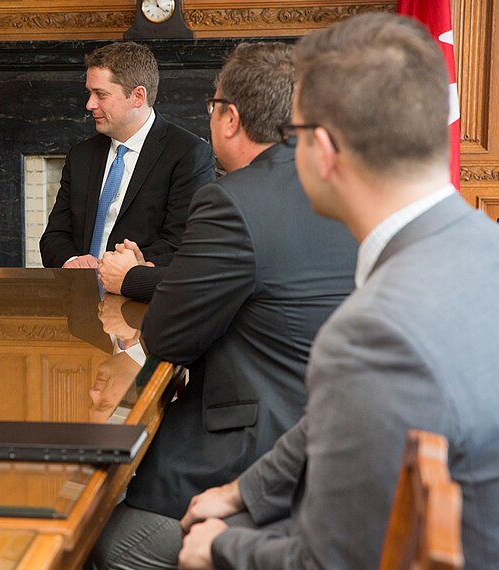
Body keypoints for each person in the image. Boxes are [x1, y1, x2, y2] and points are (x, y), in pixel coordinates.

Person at [178, 14, 499, 569]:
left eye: (294, 135)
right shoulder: (482, 243)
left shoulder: (374, 333)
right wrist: (243, 492)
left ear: (322, 151)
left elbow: (331, 563)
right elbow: (336, 418)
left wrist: (220, 547)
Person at [89, 42, 358, 569]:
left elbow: (168, 338)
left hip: (255, 455)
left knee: (106, 531)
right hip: (328, 445)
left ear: (230, 117)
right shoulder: (341, 189)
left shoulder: (231, 200)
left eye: (212, 108)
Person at [39, 41, 215, 269]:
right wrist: (72, 261)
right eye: (89, 93)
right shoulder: (81, 155)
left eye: (100, 94)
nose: (89, 104)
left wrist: (129, 268)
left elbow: (182, 245)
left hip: (143, 296)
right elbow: (54, 237)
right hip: (80, 293)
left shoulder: (188, 154)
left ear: (138, 97)